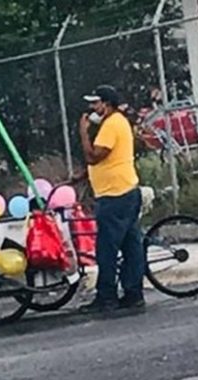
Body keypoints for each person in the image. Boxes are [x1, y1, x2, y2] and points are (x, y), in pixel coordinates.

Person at [77, 85, 145, 313]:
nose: (92, 108)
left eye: (95, 103)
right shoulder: (118, 123)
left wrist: (83, 133)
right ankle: (133, 293)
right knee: (130, 245)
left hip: (115, 195)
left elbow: (94, 156)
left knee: (106, 248)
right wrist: (83, 176)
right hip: (126, 190)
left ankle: (106, 297)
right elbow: (110, 159)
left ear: (106, 104)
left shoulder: (111, 124)